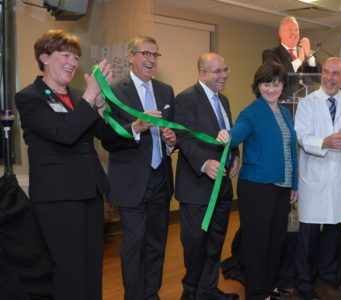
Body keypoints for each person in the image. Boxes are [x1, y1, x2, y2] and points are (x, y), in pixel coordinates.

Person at [15, 29, 114, 300]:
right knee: (69, 269)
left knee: (92, 265)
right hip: (58, 197)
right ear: (44, 57)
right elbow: (65, 134)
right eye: (66, 55)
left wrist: (123, 121)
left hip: (90, 190)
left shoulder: (79, 95)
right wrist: (90, 97)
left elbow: (107, 137)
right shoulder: (30, 97)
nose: (73, 61)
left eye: (76, 56)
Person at [102, 36, 176, 300]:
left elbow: (173, 132)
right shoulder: (114, 91)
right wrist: (136, 127)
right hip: (130, 182)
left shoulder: (166, 91)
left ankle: (151, 293)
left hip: (161, 179)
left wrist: (171, 142)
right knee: (134, 244)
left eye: (155, 55)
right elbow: (108, 140)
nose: (151, 60)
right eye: (145, 53)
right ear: (131, 57)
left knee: (156, 243)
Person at [216, 61, 298, 300]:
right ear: (258, 86)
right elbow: (236, 134)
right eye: (266, 84)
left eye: (276, 84)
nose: (271, 89)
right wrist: (226, 136)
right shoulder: (251, 112)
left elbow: (290, 148)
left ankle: (270, 287)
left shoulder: (284, 112)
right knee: (257, 244)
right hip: (257, 188)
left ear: (283, 86)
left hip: (282, 188)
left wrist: (294, 184)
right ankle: (256, 293)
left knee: (276, 242)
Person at [293, 57, 341, 300]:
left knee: (334, 230)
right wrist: (324, 142)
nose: (329, 77)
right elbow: (302, 136)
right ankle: (304, 282)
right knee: (309, 235)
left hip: (340, 179)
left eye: (336, 74)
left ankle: (329, 274)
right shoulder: (307, 103)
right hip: (315, 176)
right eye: (326, 72)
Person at [173, 52, 240, 300]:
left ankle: (208, 290)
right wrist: (204, 163)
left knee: (214, 244)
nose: (224, 75)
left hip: (221, 188)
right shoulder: (186, 99)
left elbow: (229, 135)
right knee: (196, 244)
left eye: (225, 69)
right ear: (202, 74)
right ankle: (190, 293)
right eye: (217, 71)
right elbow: (185, 137)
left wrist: (235, 156)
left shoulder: (224, 100)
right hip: (197, 188)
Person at [262, 16, 320, 100]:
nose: (294, 33)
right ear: (280, 33)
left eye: (296, 30)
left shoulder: (306, 53)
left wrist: (309, 57)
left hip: (305, 107)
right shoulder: (270, 54)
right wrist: (299, 60)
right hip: (282, 107)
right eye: (290, 30)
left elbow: (318, 78)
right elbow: (274, 77)